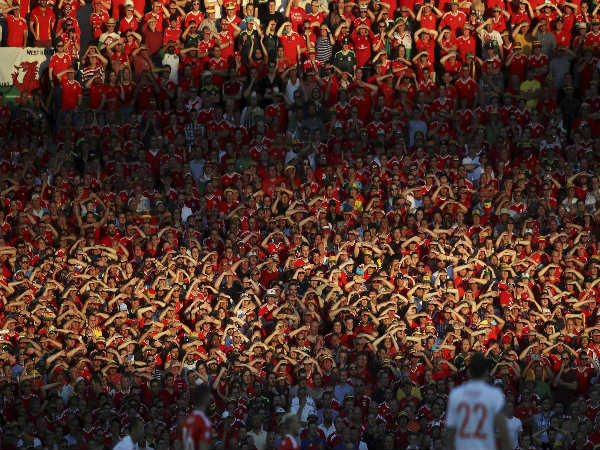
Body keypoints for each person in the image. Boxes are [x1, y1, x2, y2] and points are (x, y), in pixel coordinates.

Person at [446, 352, 511, 450]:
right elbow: (504, 433)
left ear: (470, 371)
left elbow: (450, 433)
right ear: (485, 371)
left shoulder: (457, 394)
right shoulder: (494, 394)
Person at [182, 384, 213, 450]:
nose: (211, 398)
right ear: (205, 398)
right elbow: (203, 447)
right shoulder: (204, 422)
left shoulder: (187, 420)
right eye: (209, 396)